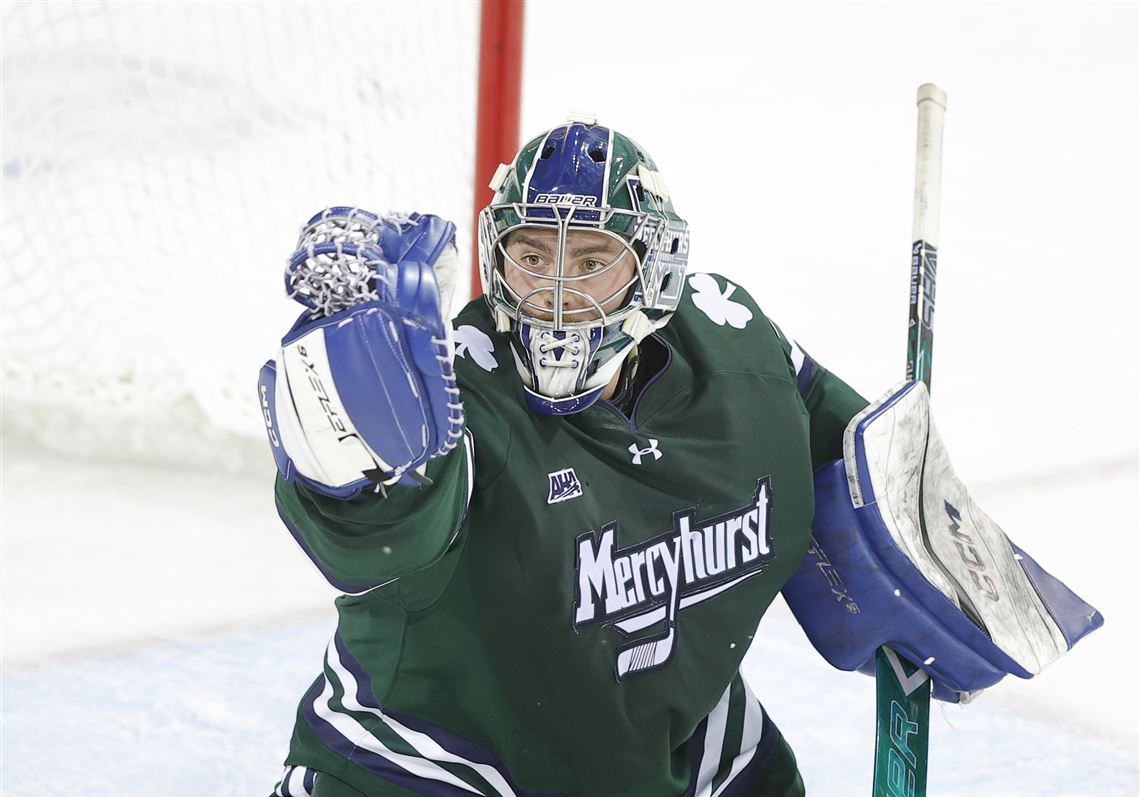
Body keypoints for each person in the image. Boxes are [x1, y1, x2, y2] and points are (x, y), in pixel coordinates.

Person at [259, 118, 1099, 797]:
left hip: (663, 753)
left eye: (591, 261)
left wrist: (930, 555)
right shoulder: (454, 396)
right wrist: (350, 433)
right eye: (532, 256)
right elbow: (375, 534)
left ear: (653, 271)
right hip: (422, 767)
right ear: (496, 256)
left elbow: (856, 465)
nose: (554, 293)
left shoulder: (738, 357)